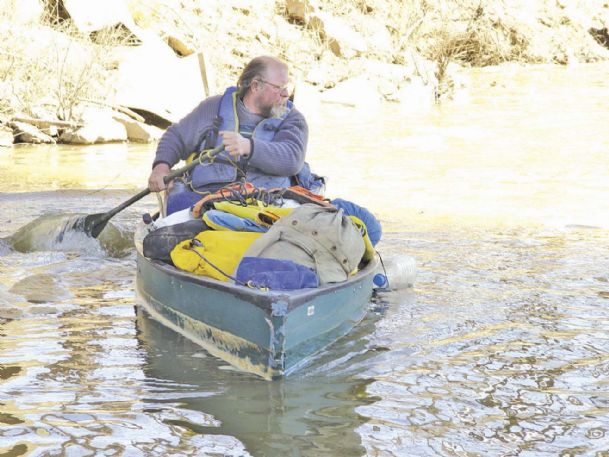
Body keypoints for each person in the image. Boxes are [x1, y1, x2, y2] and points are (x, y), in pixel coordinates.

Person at [148, 55, 313, 214]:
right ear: (256, 86)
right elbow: (176, 136)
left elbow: (293, 159)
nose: (285, 94)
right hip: (207, 198)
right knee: (176, 205)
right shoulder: (213, 107)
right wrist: (161, 168)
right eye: (278, 87)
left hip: (267, 202)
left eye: (286, 87)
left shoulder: (293, 118)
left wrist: (248, 147)